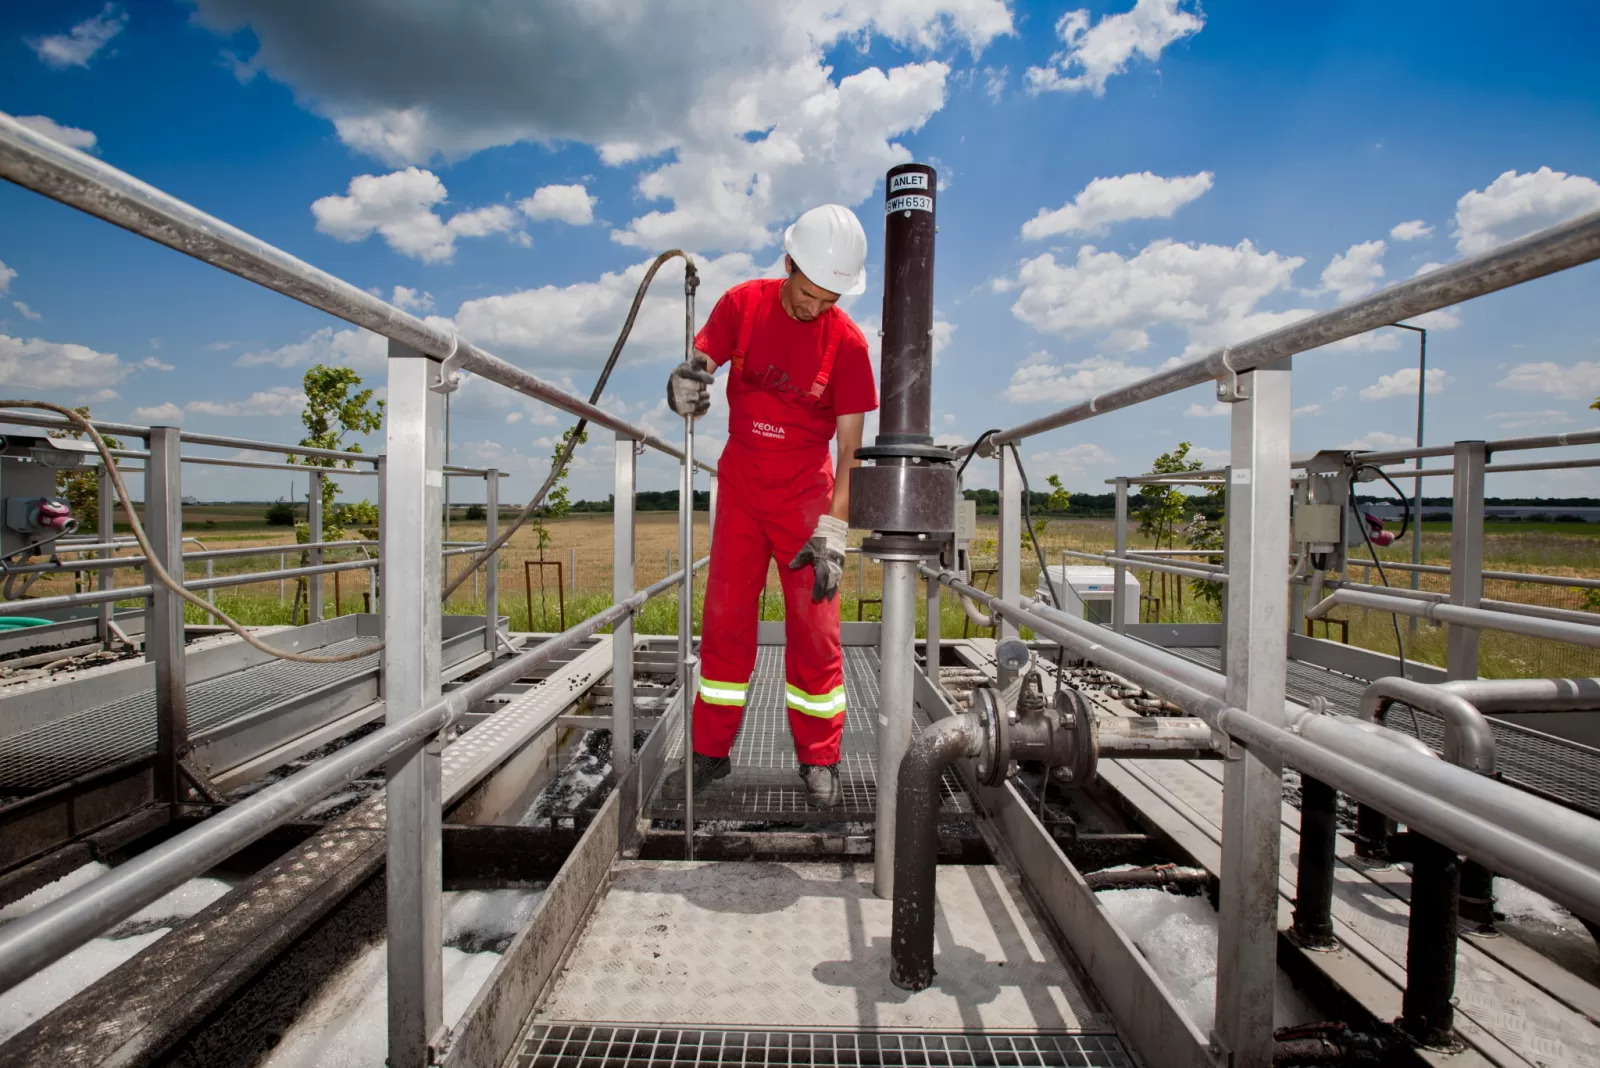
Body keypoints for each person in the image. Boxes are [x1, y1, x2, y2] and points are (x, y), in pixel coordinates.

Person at [662, 204, 877, 808]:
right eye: (808, 293)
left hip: (806, 497)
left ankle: (819, 758)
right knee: (726, 616)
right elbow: (700, 365)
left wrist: (834, 530)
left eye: (830, 298)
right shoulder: (743, 304)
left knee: (815, 627)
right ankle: (709, 752)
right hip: (742, 486)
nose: (816, 307)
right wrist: (685, 382)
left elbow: (850, 451)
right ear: (787, 265)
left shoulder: (849, 345)